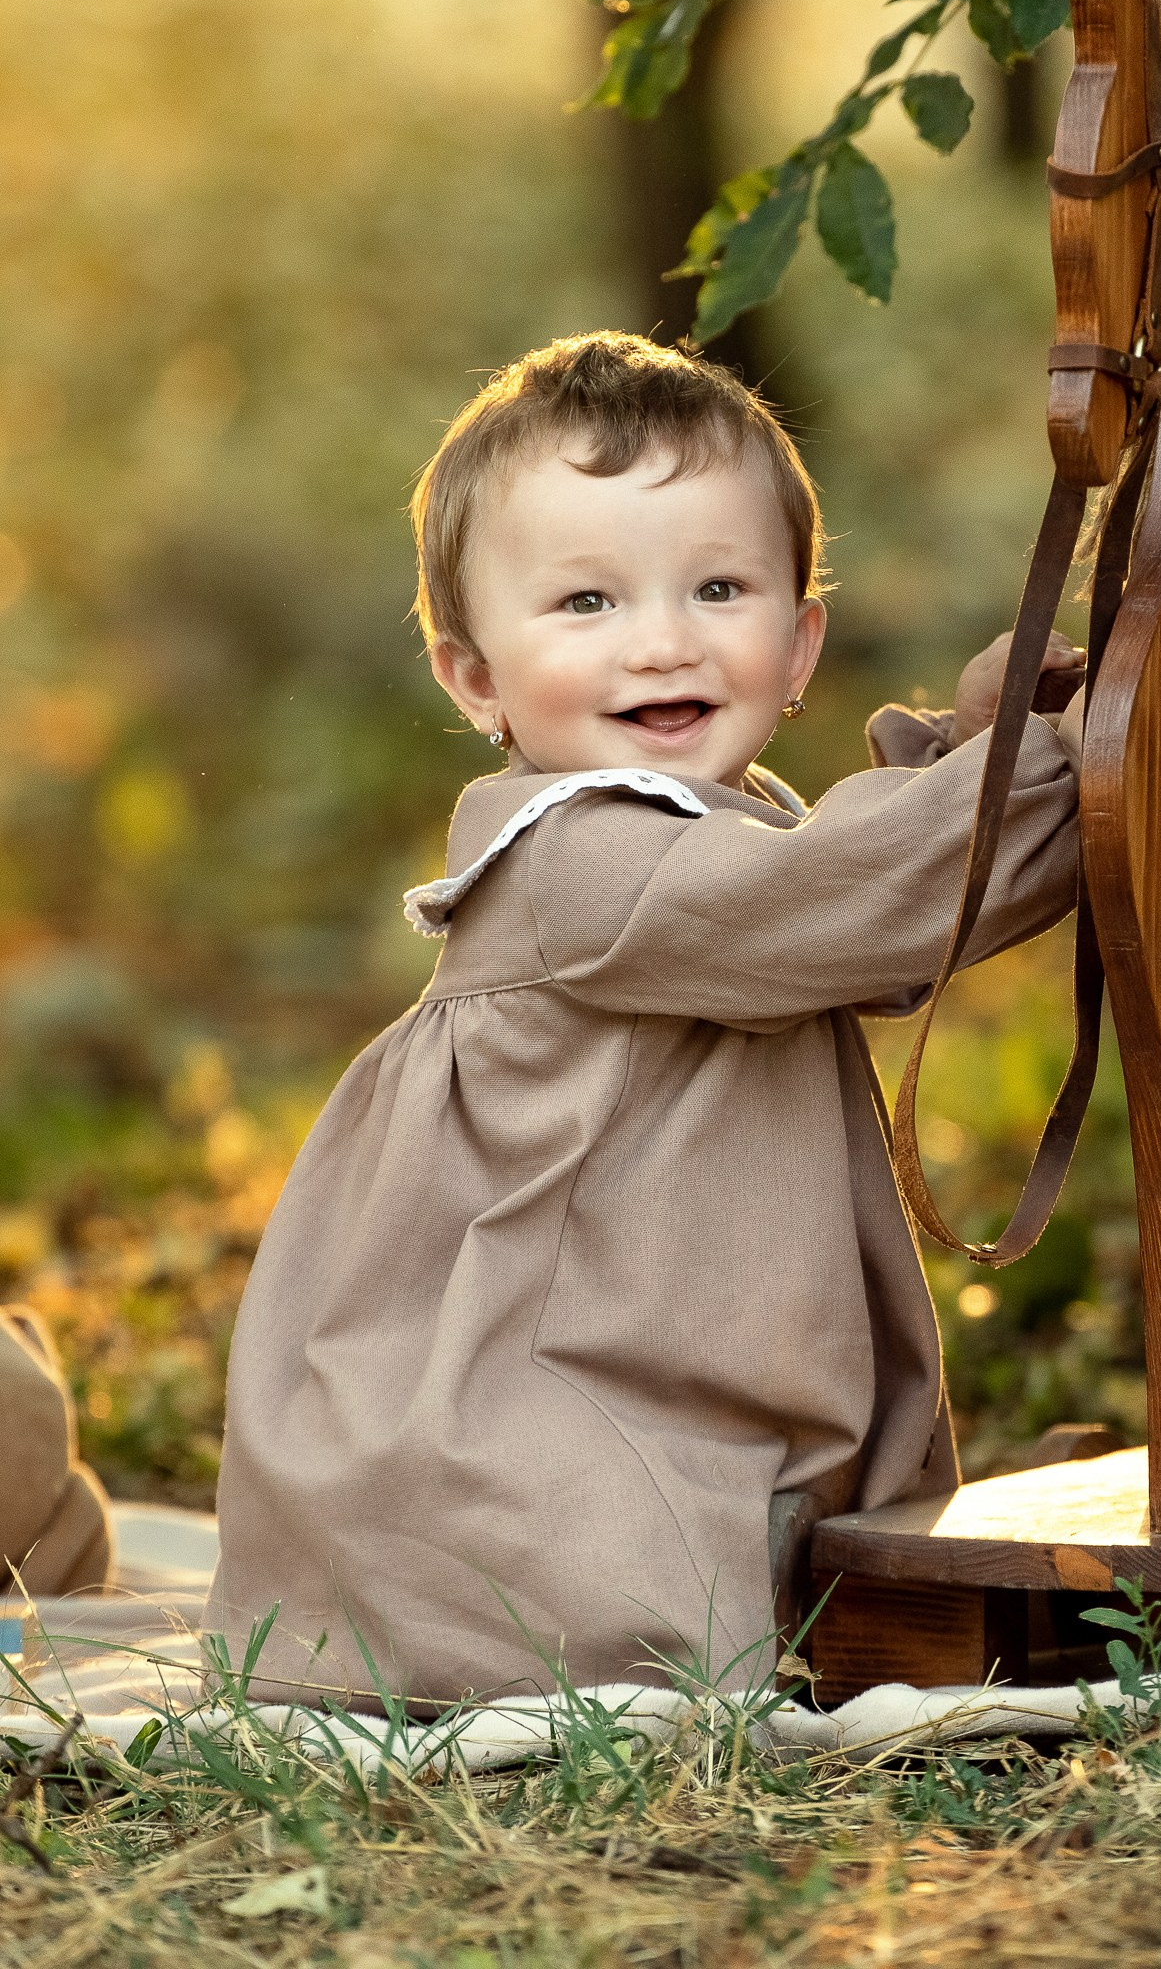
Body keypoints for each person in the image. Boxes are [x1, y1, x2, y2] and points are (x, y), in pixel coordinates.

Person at [204, 331, 1081, 1709]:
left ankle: (775, 1585)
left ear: (799, 646)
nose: (663, 639)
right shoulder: (577, 863)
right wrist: (1054, 775)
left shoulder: (724, 841)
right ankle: (560, 1639)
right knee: (626, 1609)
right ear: (476, 679)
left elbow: (838, 893)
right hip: (504, 1435)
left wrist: (979, 758)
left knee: (745, 1528)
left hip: (656, 1374)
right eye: (588, 603)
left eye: (718, 588)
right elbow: (863, 900)